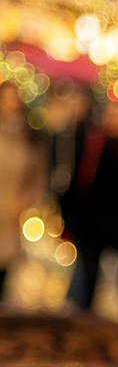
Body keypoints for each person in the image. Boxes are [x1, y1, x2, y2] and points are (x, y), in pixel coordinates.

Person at [60, 98, 118, 319]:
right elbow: (78, 189)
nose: (117, 121)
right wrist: (76, 224)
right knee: (84, 291)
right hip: (92, 233)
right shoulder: (91, 152)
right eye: (113, 115)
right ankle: (79, 334)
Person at [0, 81, 47, 301]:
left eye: (14, 98)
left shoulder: (29, 138)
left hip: (11, 220)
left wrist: (27, 201)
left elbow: (38, 177)